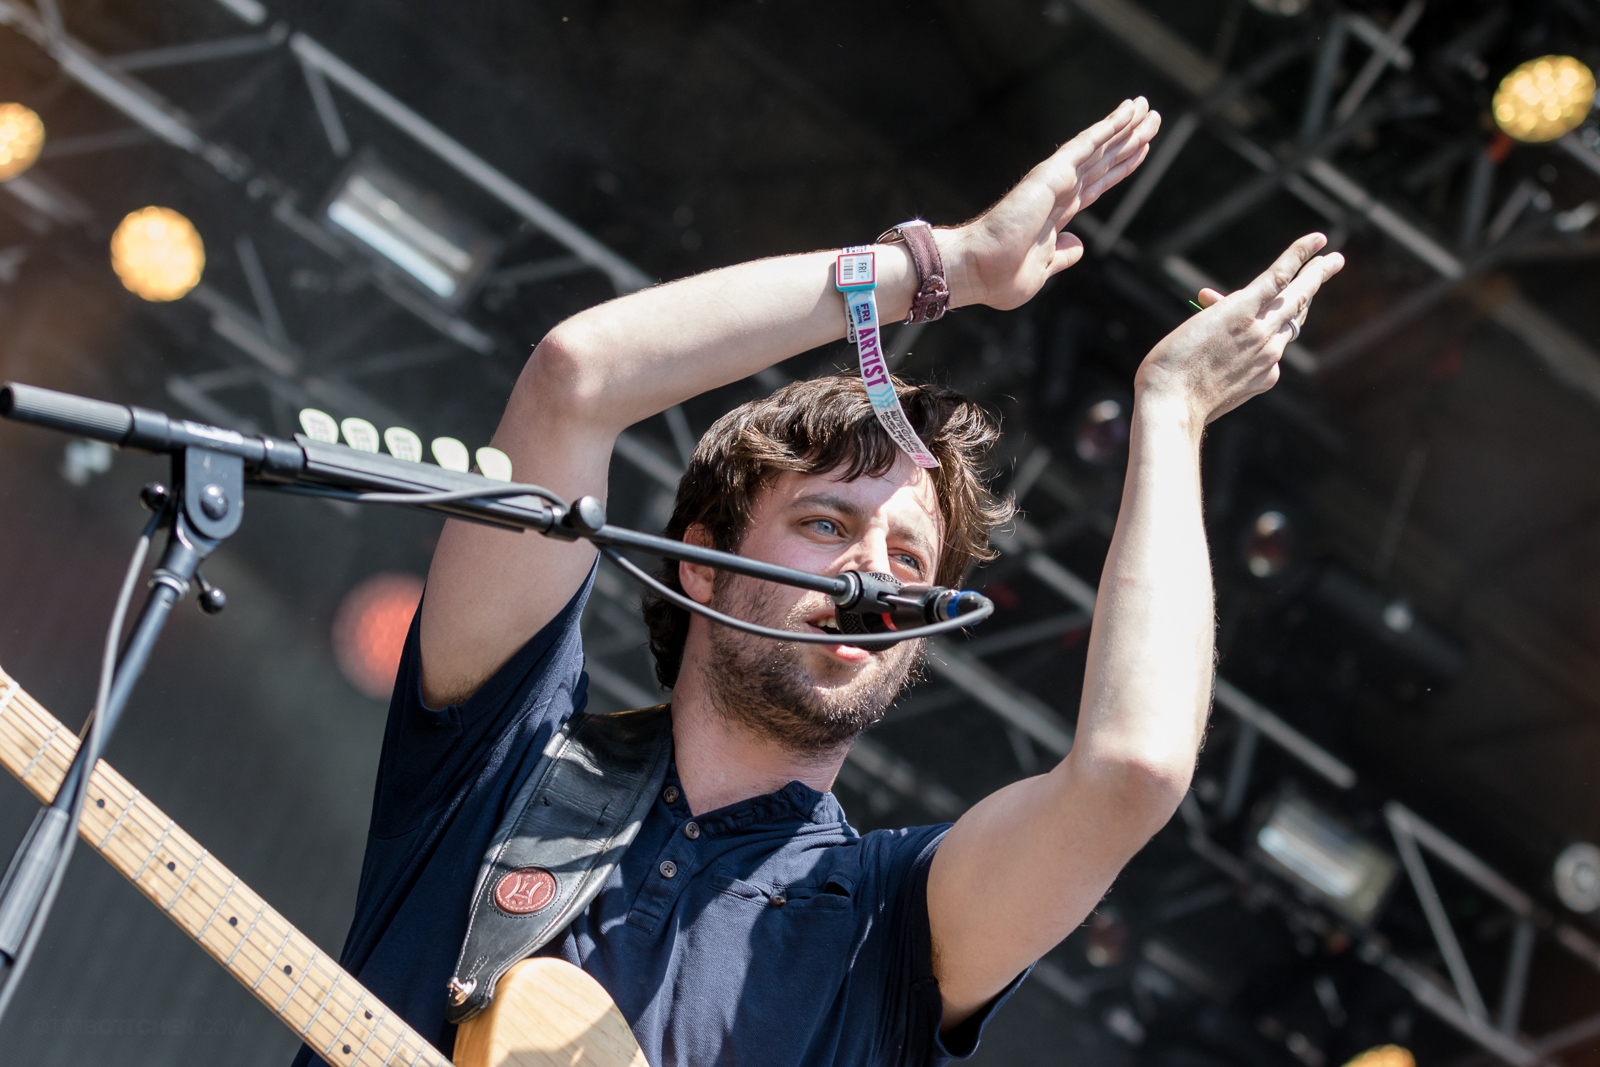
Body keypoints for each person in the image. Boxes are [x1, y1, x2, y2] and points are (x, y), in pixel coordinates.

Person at [292, 96, 1343, 1067]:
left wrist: (1170, 412)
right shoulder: (506, 753)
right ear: (703, 551)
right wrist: (950, 264)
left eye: (905, 560)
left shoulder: (890, 924)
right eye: (826, 520)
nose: (868, 569)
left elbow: (1133, 771)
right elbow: (576, 380)